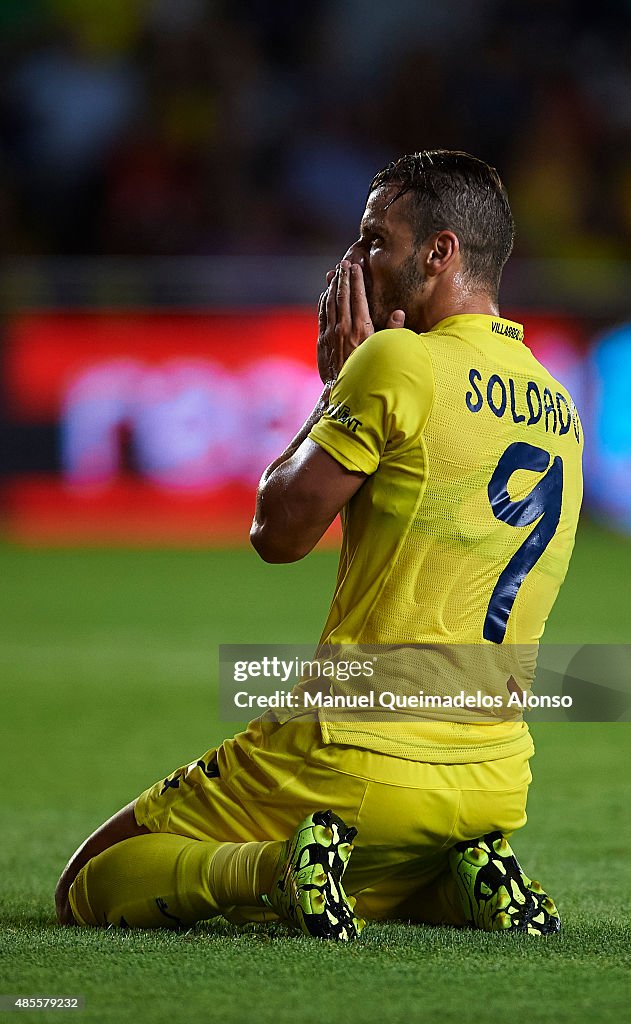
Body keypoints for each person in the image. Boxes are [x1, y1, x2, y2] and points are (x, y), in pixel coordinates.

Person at [55, 150, 583, 939]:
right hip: (494, 775)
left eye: (375, 239)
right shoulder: (557, 401)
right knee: (373, 864)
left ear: (439, 252)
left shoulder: (397, 359)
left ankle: (271, 870)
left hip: (353, 753)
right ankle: (455, 879)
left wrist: (334, 387)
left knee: (86, 884)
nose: (354, 261)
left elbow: (277, 533)